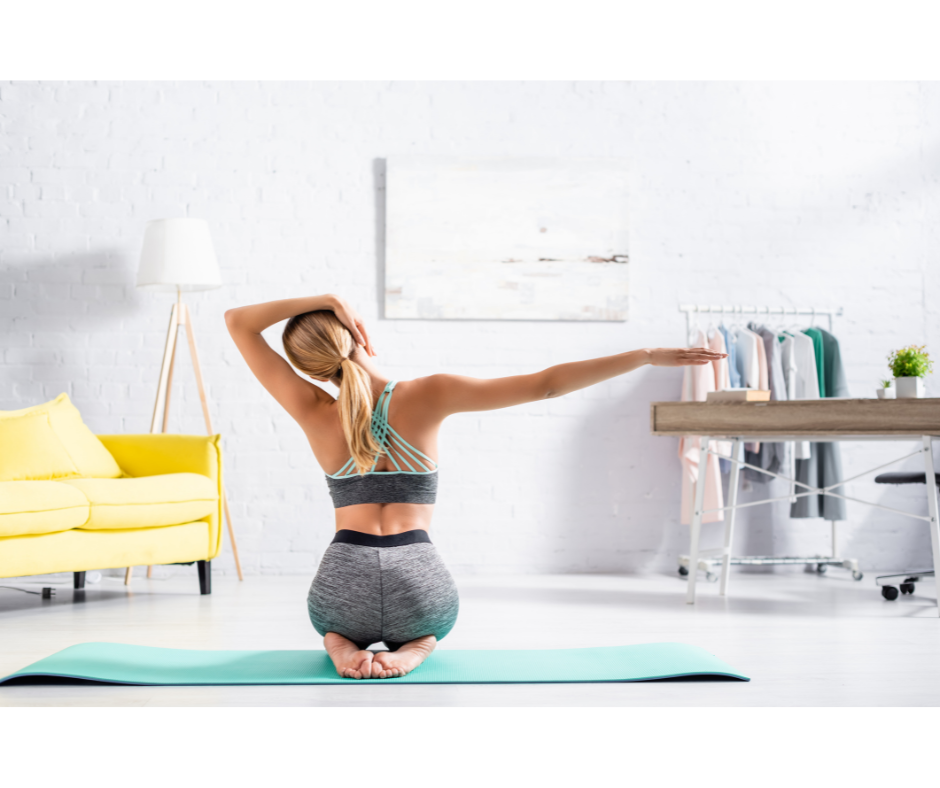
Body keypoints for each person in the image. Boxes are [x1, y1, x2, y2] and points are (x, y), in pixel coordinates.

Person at [225, 294, 726, 679]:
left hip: (341, 582)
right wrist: (645, 355)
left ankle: (340, 645)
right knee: (432, 625)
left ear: (307, 367)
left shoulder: (312, 409)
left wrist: (325, 298)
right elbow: (546, 384)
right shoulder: (429, 394)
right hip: (418, 584)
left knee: (332, 624)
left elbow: (237, 321)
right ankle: (416, 647)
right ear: (359, 334)